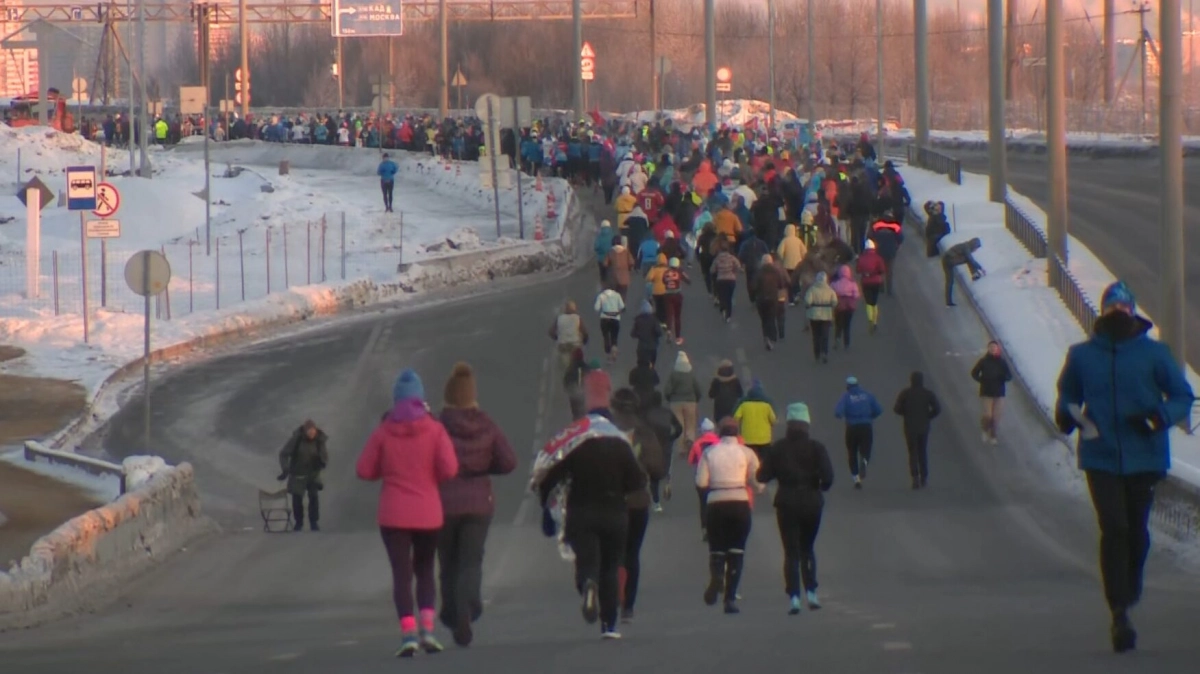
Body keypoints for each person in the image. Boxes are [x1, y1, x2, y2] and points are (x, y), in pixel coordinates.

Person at [1053, 280, 1194, 653]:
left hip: (1144, 456)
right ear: (1104, 312)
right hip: (1100, 456)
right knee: (1114, 527)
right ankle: (1119, 611)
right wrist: (1070, 418)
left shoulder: (1154, 354)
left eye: (1124, 309)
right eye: (1112, 308)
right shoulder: (1082, 355)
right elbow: (1068, 396)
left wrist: (1158, 418)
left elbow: (1182, 395)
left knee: (1136, 532)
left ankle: (1129, 589)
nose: (1119, 314)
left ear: (1133, 313)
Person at [534, 371, 647, 640]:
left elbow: (550, 476)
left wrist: (546, 507)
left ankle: (587, 584)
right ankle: (610, 625)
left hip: (582, 513)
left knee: (587, 562)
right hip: (615, 515)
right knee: (610, 566)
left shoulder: (575, 441)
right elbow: (637, 481)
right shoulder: (620, 442)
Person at [356, 369, 459, 656]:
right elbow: (450, 469)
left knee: (402, 574)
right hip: (429, 513)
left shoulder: (383, 431)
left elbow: (364, 470)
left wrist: (387, 470)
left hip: (393, 515)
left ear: (396, 400)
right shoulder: (435, 429)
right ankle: (428, 630)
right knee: (425, 571)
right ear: (420, 398)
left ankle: (408, 633)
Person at [436, 363, 518, 647]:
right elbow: (508, 461)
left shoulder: (438, 425)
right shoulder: (486, 423)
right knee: (471, 560)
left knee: (447, 561)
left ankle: (450, 611)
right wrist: (485, 467)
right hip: (479, 502)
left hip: (443, 503)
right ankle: (468, 607)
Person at [758, 403, 833, 614]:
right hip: (812, 501)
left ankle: (794, 597)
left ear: (788, 424)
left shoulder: (778, 448)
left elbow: (762, 476)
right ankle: (811, 592)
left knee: (790, 551)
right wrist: (819, 485)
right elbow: (828, 478)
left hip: (787, 502)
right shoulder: (817, 448)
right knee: (807, 548)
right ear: (807, 423)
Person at [609, 387, 667, 623]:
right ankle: (628, 607)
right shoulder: (645, 433)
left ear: (614, 407)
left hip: (610, 500)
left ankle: (611, 598)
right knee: (632, 554)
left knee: (612, 553)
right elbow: (658, 469)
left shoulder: (605, 431)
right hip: (637, 501)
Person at [696, 417, 763, 615]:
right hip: (740, 502)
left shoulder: (709, 452)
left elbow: (701, 482)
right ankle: (730, 598)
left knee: (716, 549)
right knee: (737, 551)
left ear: (719, 432)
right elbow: (758, 483)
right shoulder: (747, 452)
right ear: (737, 433)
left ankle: (717, 575)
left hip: (716, 503)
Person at [276, 419, 329, 532]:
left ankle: (314, 522)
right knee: (297, 499)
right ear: (305, 431)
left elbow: (324, 455)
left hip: (313, 474)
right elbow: (283, 454)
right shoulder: (297, 439)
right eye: (309, 431)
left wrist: (321, 462)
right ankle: (299, 522)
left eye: (313, 431)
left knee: (313, 497)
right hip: (298, 474)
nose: (311, 433)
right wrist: (285, 469)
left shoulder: (319, 440)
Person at [892, 371, 942, 490]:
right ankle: (924, 477)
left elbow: (896, 409)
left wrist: (905, 413)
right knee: (922, 451)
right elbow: (938, 409)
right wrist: (929, 416)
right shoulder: (928, 394)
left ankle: (915, 477)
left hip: (909, 427)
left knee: (912, 452)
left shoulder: (905, 393)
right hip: (924, 426)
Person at [834, 376, 883, 490]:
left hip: (852, 428)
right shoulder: (868, 395)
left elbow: (837, 412)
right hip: (866, 426)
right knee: (866, 449)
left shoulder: (846, 397)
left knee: (852, 452)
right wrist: (869, 417)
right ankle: (864, 461)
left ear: (848, 386)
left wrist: (843, 416)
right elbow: (878, 410)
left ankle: (856, 479)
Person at [640, 390, 683, 512]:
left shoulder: (646, 414)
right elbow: (679, 428)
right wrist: (672, 437)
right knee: (665, 468)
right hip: (666, 445)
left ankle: (656, 501)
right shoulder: (667, 412)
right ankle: (667, 482)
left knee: (653, 476)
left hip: (651, 446)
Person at [970, 340, 1014, 445]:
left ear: (997, 349)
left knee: (996, 417)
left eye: (994, 348)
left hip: (999, 393)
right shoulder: (983, 361)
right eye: (990, 347)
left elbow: (1009, 375)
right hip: (986, 392)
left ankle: (993, 435)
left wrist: (1004, 378)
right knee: (988, 415)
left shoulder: (1002, 362)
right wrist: (981, 380)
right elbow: (974, 373)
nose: (992, 349)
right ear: (988, 349)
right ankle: (985, 430)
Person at [664, 351, 703, 451]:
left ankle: (681, 448)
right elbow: (697, 388)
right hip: (690, 402)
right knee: (690, 423)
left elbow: (668, 390)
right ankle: (690, 440)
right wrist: (696, 399)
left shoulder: (673, 375)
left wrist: (669, 399)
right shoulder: (691, 374)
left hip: (676, 403)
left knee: (679, 426)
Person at [688, 418, 720, 541]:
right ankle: (718, 528)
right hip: (716, 477)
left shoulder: (697, 444)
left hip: (702, 477)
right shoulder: (718, 442)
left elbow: (691, 461)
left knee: (703, 504)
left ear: (702, 431)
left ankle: (705, 529)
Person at [753, 253, 789, 351]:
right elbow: (781, 285)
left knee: (764, 320)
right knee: (771, 318)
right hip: (773, 298)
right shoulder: (776, 271)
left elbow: (754, 286)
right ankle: (772, 338)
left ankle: (766, 337)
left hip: (761, 299)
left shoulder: (759, 272)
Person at [734, 379, 777, 459]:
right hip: (764, 440)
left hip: (747, 439)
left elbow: (736, 418)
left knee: (748, 460)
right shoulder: (767, 406)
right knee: (764, 460)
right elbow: (773, 420)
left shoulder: (744, 405)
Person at [804, 271, 838, 364]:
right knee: (825, 335)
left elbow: (807, 302)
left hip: (814, 315)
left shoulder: (812, 289)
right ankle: (825, 352)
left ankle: (817, 354)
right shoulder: (830, 290)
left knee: (816, 335)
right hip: (826, 315)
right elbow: (835, 302)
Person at [941, 237, 984, 307]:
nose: (976, 250)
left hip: (945, 260)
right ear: (973, 246)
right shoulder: (966, 248)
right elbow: (971, 259)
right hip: (951, 260)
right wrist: (981, 268)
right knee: (968, 259)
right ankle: (975, 274)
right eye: (976, 248)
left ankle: (948, 302)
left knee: (949, 281)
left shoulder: (965, 246)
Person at [856, 240, 886, 333]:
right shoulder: (878, 258)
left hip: (866, 282)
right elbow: (882, 270)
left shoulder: (861, 258)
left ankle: (870, 320)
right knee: (874, 302)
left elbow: (858, 270)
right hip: (876, 282)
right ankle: (875, 321)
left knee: (868, 303)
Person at [549, 300, 588, 373]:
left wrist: (557, 338)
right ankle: (580, 375)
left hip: (563, 345)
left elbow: (551, 332)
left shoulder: (559, 318)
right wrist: (585, 340)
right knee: (579, 361)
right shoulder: (577, 318)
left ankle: (566, 377)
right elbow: (585, 332)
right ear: (574, 309)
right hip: (575, 345)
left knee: (565, 366)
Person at [829, 264, 861, 350]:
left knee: (838, 324)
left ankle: (837, 339)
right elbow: (857, 295)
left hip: (838, 306)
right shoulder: (853, 283)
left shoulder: (834, 283)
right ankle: (846, 344)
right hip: (849, 307)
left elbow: (830, 294)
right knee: (847, 325)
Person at [711, 239, 743, 322]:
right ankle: (728, 316)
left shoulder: (717, 258)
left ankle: (722, 308)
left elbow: (712, 270)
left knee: (722, 296)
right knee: (729, 297)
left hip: (720, 280)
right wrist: (734, 271)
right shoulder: (732, 258)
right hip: (731, 280)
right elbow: (738, 266)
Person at [661, 257, 691, 344]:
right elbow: (688, 280)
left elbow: (663, 281)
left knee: (669, 314)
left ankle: (669, 331)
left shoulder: (666, 273)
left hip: (667, 295)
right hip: (677, 294)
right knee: (677, 316)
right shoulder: (679, 272)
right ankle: (678, 337)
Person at [594, 286, 626, 363]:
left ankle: (608, 353)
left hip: (604, 318)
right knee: (614, 337)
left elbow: (596, 308)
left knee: (606, 336)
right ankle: (614, 350)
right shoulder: (617, 295)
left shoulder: (601, 296)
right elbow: (622, 307)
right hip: (615, 318)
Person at [630, 300, 663, 368]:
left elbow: (633, 334)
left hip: (642, 347)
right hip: (652, 346)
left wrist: (640, 334)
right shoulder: (654, 320)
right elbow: (659, 333)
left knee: (641, 365)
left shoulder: (638, 320)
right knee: (652, 364)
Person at [594, 220, 616, 284]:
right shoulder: (612, 235)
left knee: (603, 276)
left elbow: (596, 247)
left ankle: (604, 287)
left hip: (601, 259)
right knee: (611, 274)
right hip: (611, 258)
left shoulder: (599, 236)